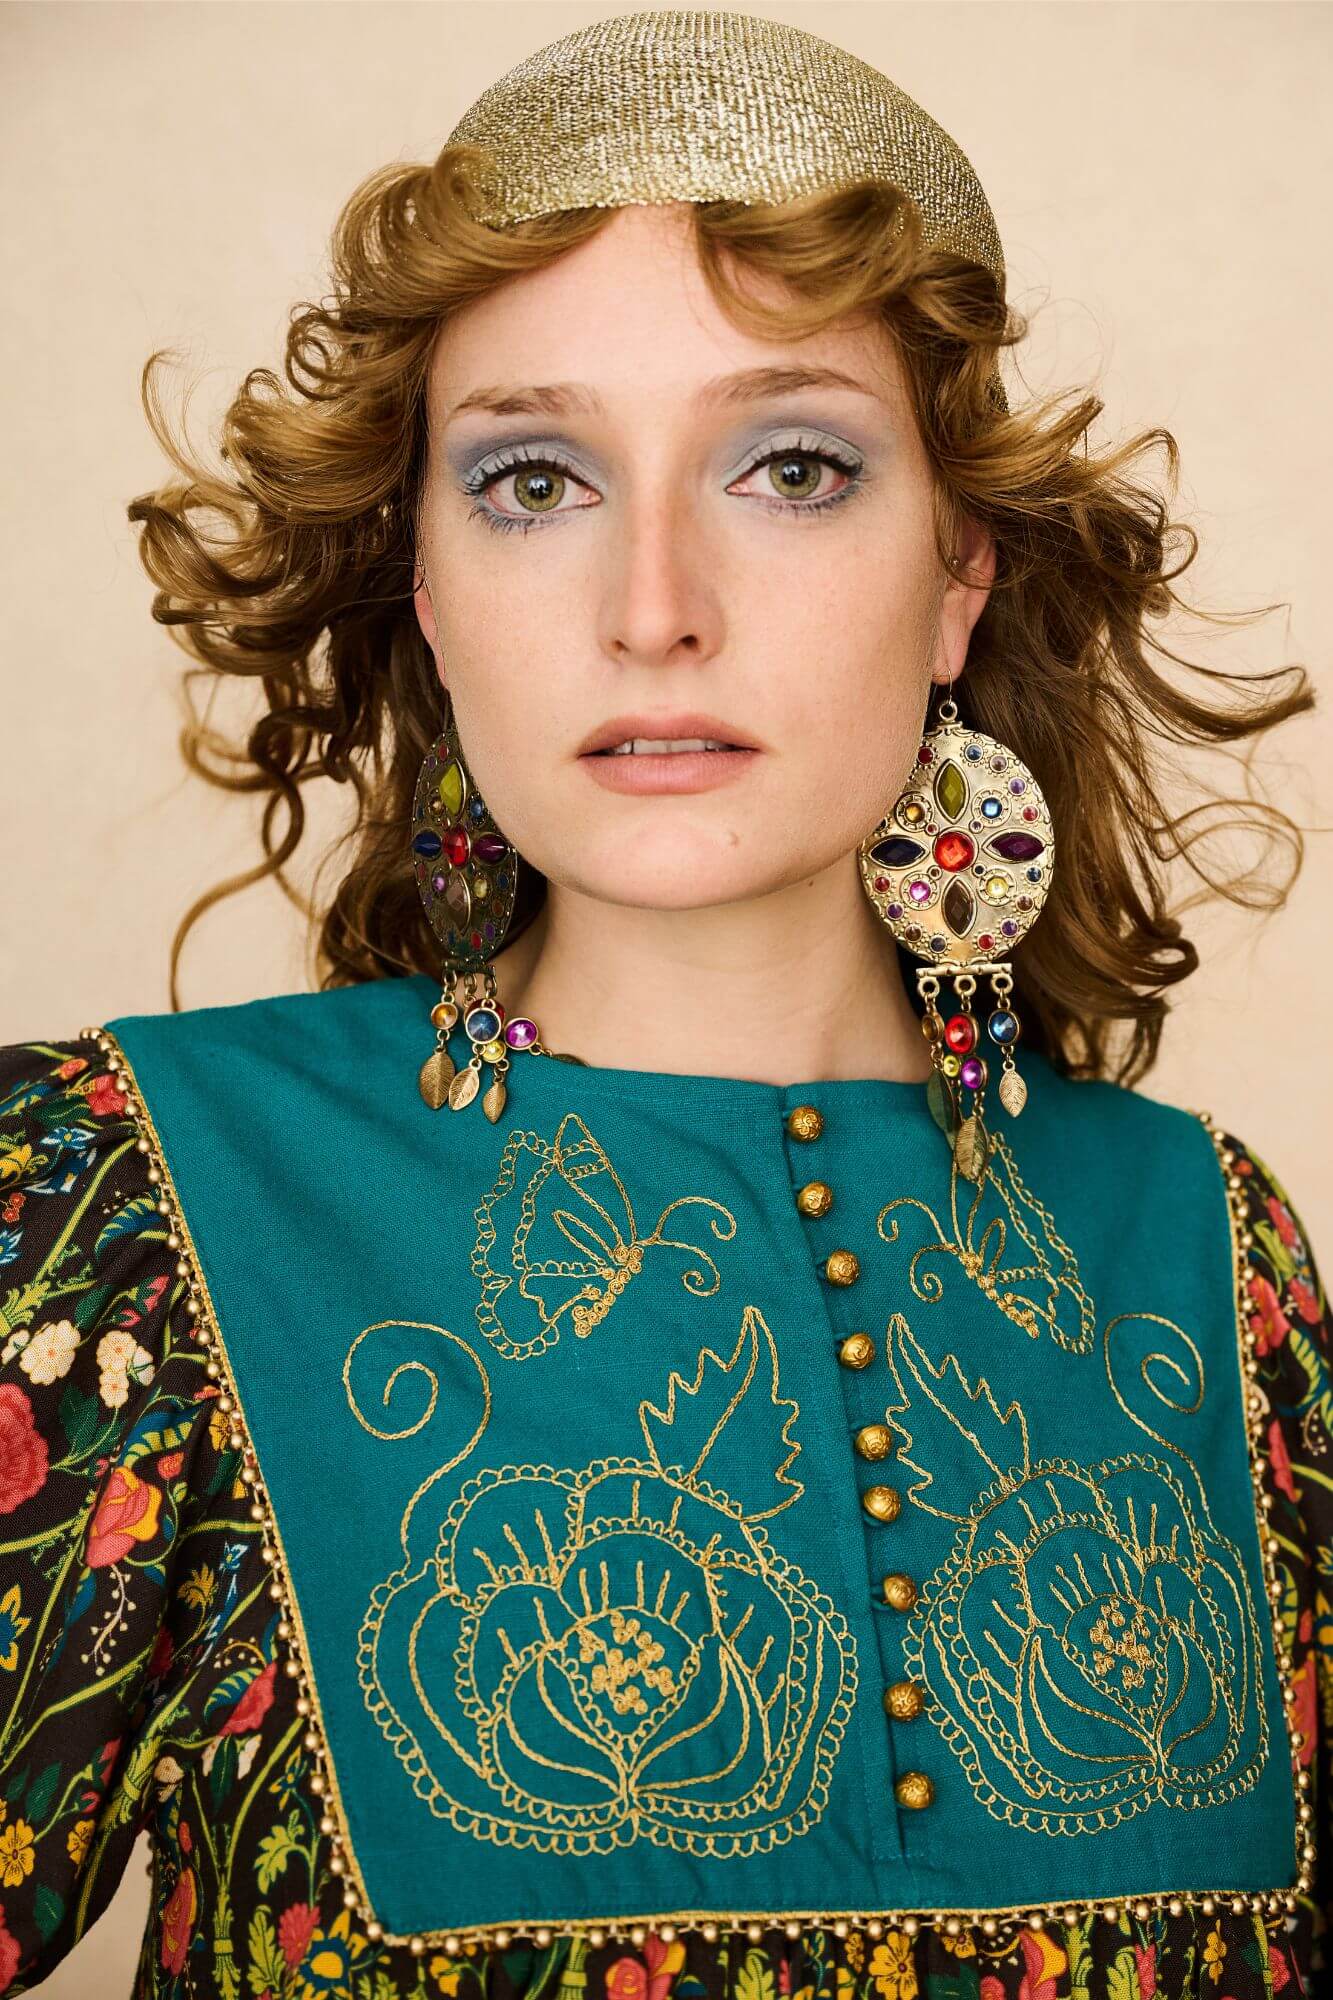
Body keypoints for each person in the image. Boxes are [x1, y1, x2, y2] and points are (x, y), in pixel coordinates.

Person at [0, 10, 1326, 1996]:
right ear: (434, 594)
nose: (651, 605)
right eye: (535, 481)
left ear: (957, 575)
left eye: (790, 465)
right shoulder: (117, 1207)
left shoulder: (1217, 1263)